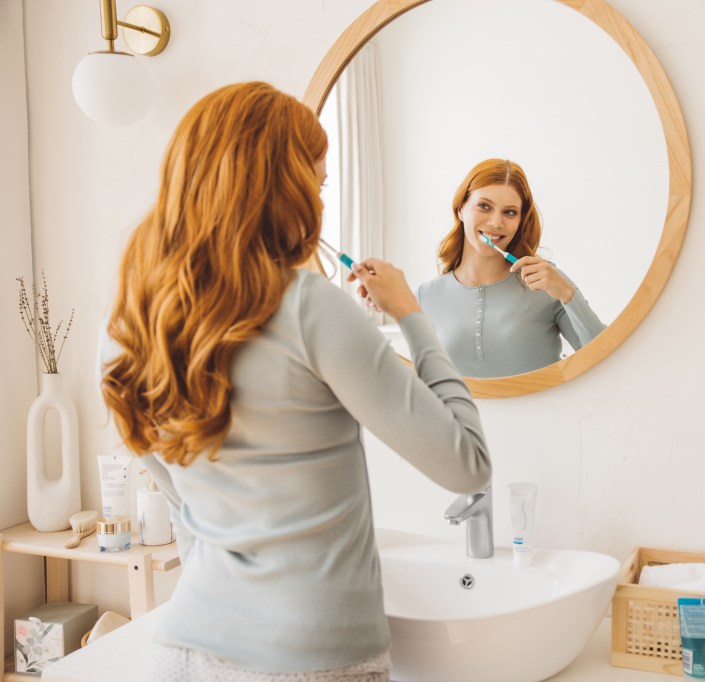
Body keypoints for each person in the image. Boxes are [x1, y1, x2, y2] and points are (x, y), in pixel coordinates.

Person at [100, 82, 490, 682]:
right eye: (318, 182)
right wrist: (411, 313)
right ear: (283, 185)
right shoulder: (311, 307)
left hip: (186, 646)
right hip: (312, 658)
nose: (321, 201)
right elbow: (466, 463)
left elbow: (181, 507)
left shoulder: (135, 320)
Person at [417, 158, 606, 378]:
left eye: (509, 212)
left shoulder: (545, 282)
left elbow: (604, 357)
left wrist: (567, 294)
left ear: (520, 221)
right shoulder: (426, 296)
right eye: (484, 206)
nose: (496, 222)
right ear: (460, 209)